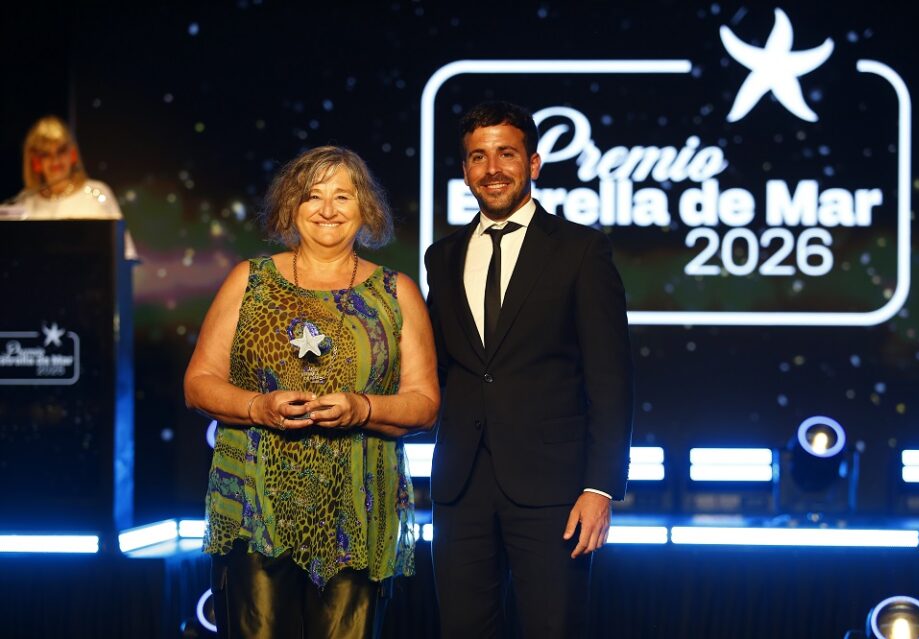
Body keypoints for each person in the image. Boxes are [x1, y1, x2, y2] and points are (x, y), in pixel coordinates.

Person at [184, 146, 440, 639]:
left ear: (366, 209)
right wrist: (258, 406)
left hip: (358, 514)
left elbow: (425, 404)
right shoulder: (249, 281)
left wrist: (361, 407)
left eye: (343, 196)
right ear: (290, 207)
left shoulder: (396, 292)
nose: (327, 209)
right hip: (255, 511)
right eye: (313, 196)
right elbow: (198, 384)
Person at [424, 101, 634, 638]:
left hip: (555, 487)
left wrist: (601, 488)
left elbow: (610, 379)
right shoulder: (441, 257)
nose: (492, 168)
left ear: (533, 163)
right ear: (465, 170)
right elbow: (439, 367)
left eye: (507, 154)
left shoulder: (581, 250)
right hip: (461, 485)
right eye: (478, 157)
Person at [11, 115, 136, 258]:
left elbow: (126, 253)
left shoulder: (96, 194)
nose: (55, 161)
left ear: (73, 154)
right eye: (46, 154)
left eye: (61, 151)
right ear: (35, 162)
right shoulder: (25, 202)